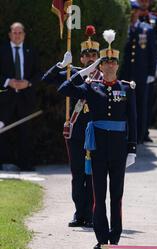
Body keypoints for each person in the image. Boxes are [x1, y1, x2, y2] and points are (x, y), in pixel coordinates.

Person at [58, 30, 137, 249]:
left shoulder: (126, 89)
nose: (110, 66)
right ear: (100, 67)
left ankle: (116, 237)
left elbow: (133, 120)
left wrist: (132, 148)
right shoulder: (92, 87)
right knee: (98, 194)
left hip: (120, 149)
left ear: (117, 65)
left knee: (117, 195)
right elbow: (64, 89)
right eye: (105, 63)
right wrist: (85, 70)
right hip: (98, 149)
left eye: (113, 62)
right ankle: (102, 238)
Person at [42, 25, 102, 228]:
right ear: (82, 58)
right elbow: (47, 80)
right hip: (76, 132)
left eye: (94, 54)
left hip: (96, 133)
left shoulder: (105, 76)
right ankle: (79, 213)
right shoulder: (73, 72)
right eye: (87, 55)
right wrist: (60, 65)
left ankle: (93, 213)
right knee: (78, 175)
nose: (91, 58)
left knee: (93, 174)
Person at [0, 22, 40, 171]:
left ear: (24, 34)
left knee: (26, 131)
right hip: (5, 98)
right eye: (14, 33)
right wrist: (8, 81)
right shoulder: (2, 51)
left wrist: (28, 83)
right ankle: (3, 163)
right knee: (3, 130)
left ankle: (26, 164)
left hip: (26, 97)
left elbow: (39, 73)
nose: (17, 35)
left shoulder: (31, 51)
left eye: (20, 33)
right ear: (10, 34)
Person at [121, 0, 156, 144]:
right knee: (122, 104)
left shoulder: (146, 29)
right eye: (131, 11)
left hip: (141, 75)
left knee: (141, 105)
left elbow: (152, 52)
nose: (133, 14)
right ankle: (124, 134)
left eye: (135, 11)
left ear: (138, 12)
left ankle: (139, 137)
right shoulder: (123, 28)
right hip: (125, 74)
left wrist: (151, 73)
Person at [138, 0, 157, 142]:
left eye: (145, 1)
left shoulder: (154, 20)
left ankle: (144, 131)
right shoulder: (133, 17)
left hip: (151, 66)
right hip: (135, 66)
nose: (143, 3)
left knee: (147, 99)